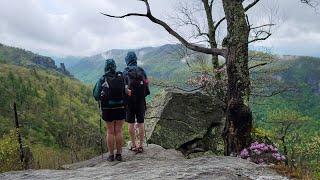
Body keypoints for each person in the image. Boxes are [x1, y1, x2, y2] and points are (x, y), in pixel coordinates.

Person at [93, 59, 126, 161]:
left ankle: (111, 155)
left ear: (106, 67)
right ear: (115, 66)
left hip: (107, 109)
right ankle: (119, 154)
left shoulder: (102, 79)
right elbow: (125, 91)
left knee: (110, 132)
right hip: (120, 107)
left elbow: (96, 95)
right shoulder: (121, 77)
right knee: (119, 131)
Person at [123, 52, 150, 153]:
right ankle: (141, 145)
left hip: (129, 102)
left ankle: (134, 145)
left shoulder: (125, 71)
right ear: (135, 59)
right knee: (141, 122)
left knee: (131, 123)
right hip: (140, 101)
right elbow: (146, 86)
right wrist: (142, 96)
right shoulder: (141, 70)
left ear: (127, 60)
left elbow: (123, 88)